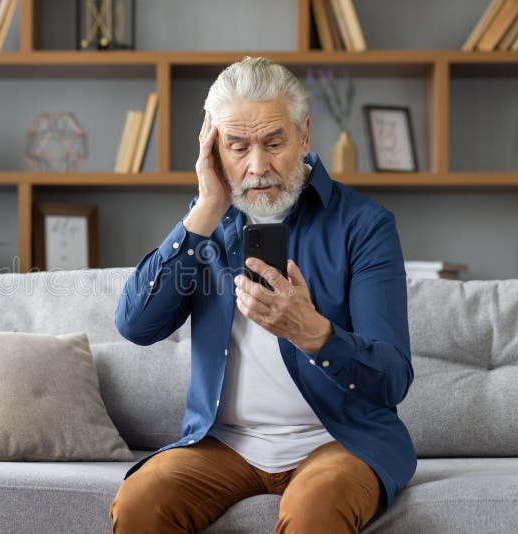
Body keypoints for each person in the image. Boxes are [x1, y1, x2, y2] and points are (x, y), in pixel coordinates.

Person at [110, 56, 417, 533]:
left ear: (305, 134)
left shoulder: (364, 226)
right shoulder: (207, 223)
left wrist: (313, 333)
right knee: (140, 502)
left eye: (274, 143)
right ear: (212, 148)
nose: (258, 167)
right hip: (225, 445)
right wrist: (208, 206)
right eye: (238, 147)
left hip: (338, 440)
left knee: (316, 509)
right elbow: (135, 325)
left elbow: (393, 378)